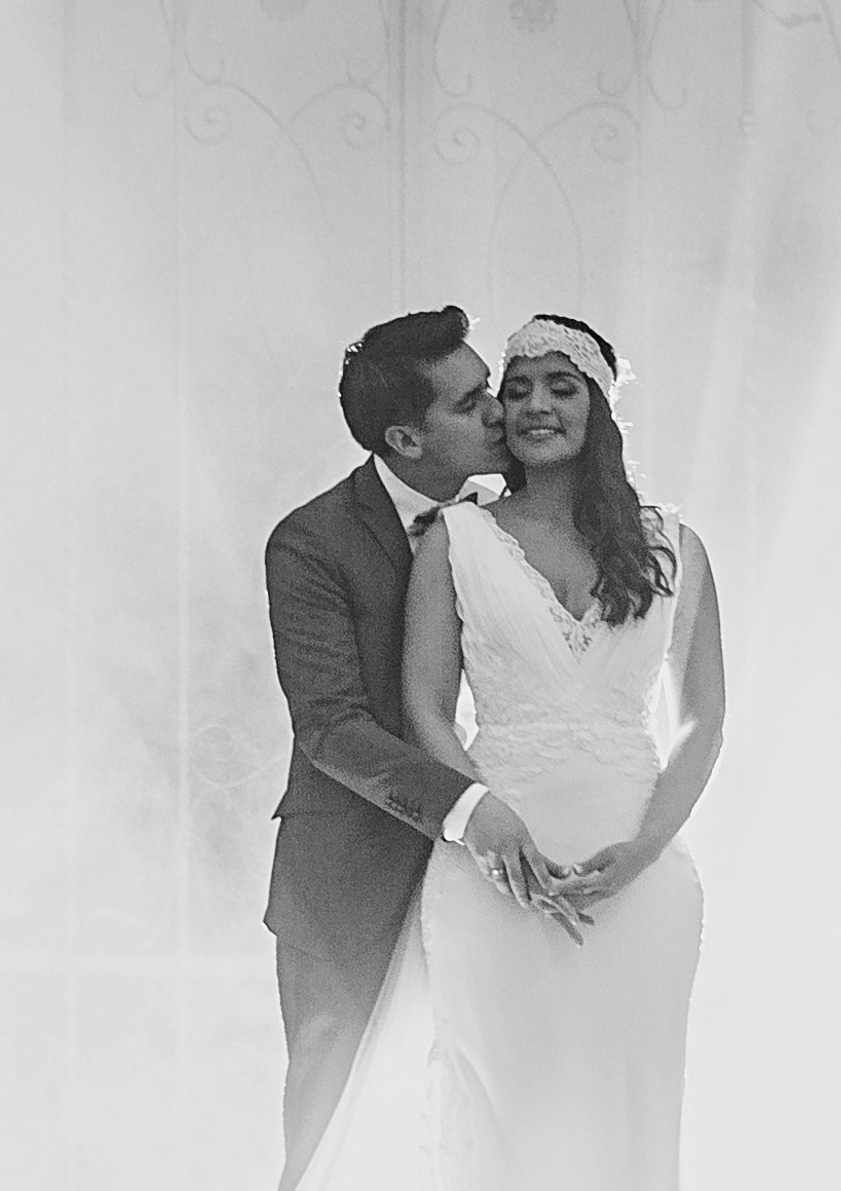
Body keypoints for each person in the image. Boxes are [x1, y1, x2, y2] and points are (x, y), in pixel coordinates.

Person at [295, 312, 727, 1191]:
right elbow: (423, 704)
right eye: (513, 387)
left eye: (557, 386)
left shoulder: (675, 546)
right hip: (495, 869)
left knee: (625, 1125)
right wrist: (480, 821)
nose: (526, 406)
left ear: (600, 405)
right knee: (495, 1121)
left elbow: (703, 721)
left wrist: (643, 852)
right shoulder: (457, 539)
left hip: (638, 885)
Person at [262, 307, 572, 1191]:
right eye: (473, 402)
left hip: (508, 877)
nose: (501, 414)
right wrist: (471, 812)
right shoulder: (312, 543)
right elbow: (330, 726)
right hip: (351, 883)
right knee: (335, 1142)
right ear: (404, 436)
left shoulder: (522, 520)